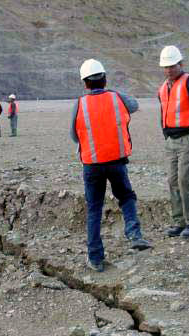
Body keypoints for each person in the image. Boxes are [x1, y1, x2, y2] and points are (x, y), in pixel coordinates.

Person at [70, 59, 151, 272]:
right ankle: (134, 235)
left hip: (92, 164)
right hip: (116, 161)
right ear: (104, 78)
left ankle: (95, 258)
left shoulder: (80, 103)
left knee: (94, 208)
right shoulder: (117, 98)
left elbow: (73, 135)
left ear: (84, 83)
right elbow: (134, 104)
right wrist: (110, 91)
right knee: (126, 196)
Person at [157, 46, 189, 238]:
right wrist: (166, 134)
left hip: (188, 139)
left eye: (172, 66)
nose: (169, 70)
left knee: (184, 180)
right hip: (171, 140)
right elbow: (163, 112)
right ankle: (179, 222)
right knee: (172, 181)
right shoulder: (164, 88)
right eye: (166, 67)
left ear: (181, 64)